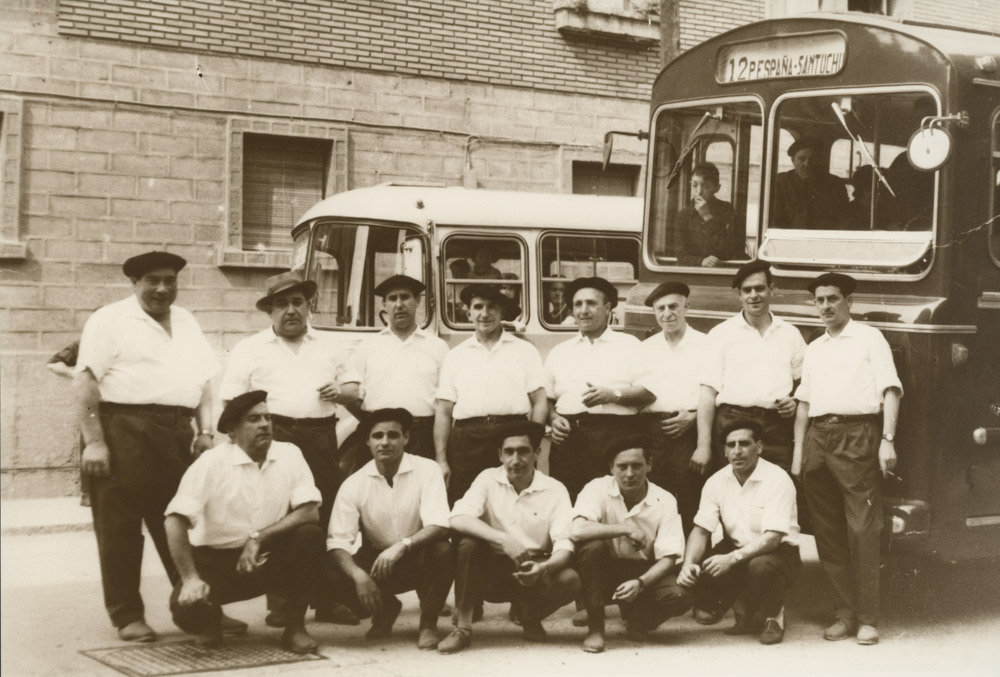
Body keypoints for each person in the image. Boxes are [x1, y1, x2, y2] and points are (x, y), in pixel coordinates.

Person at [75, 251, 223, 642]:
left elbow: (206, 384)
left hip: (176, 432)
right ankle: (127, 616)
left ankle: (197, 606)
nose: (162, 288)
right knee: (120, 528)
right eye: (152, 281)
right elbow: (86, 382)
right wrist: (95, 444)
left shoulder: (187, 321)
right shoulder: (109, 319)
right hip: (123, 428)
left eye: (170, 280)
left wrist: (206, 431)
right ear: (134, 283)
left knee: (182, 520)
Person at [220, 269, 356, 626]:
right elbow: (231, 402)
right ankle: (281, 604)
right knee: (278, 518)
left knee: (324, 517)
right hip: (274, 437)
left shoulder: (329, 345)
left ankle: (327, 600)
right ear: (269, 311)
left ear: (309, 306)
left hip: (322, 436)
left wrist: (340, 393)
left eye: (298, 302)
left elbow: (355, 392)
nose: (291, 310)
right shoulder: (250, 349)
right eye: (282, 304)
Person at [165, 391, 325, 654]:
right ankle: (210, 621)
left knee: (310, 535)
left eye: (267, 417)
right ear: (232, 430)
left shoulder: (289, 454)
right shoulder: (211, 463)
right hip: (216, 563)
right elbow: (174, 520)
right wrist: (191, 578)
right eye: (253, 419)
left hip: (265, 556)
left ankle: (295, 627)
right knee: (186, 612)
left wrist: (257, 538)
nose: (264, 424)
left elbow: (309, 511)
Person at [792, 272, 902, 646]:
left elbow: (890, 390)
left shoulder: (870, 338)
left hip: (858, 435)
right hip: (818, 439)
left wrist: (887, 440)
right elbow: (804, 404)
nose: (825, 306)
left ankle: (869, 618)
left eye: (833, 299)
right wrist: (798, 453)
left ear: (849, 302)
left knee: (863, 530)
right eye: (820, 300)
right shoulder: (815, 347)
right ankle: (845, 613)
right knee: (826, 531)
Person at [438, 421, 581, 654]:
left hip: (532, 570)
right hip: (490, 570)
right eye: (509, 452)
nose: (516, 459)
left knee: (570, 579)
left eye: (523, 451)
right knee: (467, 544)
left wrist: (543, 568)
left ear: (537, 453)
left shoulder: (555, 489)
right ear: (500, 455)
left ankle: (529, 617)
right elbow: (457, 517)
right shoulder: (487, 478)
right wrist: (503, 540)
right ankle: (463, 629)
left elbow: (565, 544)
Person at [325, 408, 454, 650]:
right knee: (329, 570)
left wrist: (402, 546)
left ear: (406, 438)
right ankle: (385, 610)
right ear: (367, 441)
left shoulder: (427, 470)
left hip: (418, 555)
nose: (385, 442)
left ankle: (428, 623)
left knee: (442, 550)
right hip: (378, 562)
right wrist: (358, 575)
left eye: (393, 435)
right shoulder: (354, 483)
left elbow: (439, 524)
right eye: (377, 436)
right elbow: (338, 542)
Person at [678, 419, 801, 645]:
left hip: (778, 554)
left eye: (744, 443)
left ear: (759, 447)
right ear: (724, 451)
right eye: (731, 445)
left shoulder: (778, 479)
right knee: (698, 587)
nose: (737, 451)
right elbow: (701, 530)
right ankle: (739, 600)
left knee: (760, 567)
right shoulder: (716, 481)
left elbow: (773, 539)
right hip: (736, 550)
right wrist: (688, 564)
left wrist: (731, 559)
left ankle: (774, 615)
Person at [571, 435, 691, 653]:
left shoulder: (664, 500)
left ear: (649, 465)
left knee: (679, 595)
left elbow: (669, 557)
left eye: (637, 466)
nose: (629, 474)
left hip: (643, 571)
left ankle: (637, 620)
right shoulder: (597, 488)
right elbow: (577, 530)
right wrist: (626, 528)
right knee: (592, 547)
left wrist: (641, 582)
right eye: (622, 466)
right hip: (603, 569)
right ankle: (596, 627)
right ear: (611, 467)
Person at [435, 284, 547, 505]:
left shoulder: (524, 350)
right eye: (478, 307)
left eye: (491, 307)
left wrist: (532, 440)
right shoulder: (456, 355)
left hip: (512, 434)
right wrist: (441, 459)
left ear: (501, 312)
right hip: (468, 440)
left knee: (515, 500)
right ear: (468, 313)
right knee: (465, 500)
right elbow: (444, 411)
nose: (484, 313)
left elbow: (540, 401)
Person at [545, 276, 654, 501]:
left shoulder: (630, 345)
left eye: (591, 304)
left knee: (614, 500)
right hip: (569, 439)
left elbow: (648, 392)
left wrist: (612, 395)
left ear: (607, 308)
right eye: (578, 304)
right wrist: (554, 418)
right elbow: (545, 398)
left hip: (615, 436)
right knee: (567, 500)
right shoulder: (560, 351)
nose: (584, 311)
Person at [692, 260, 805, 475]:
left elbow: (804, 384)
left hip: (775, 429)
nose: (754, 295)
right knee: (732, 493)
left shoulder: (790, 334)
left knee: (777, 489)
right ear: (740, 295)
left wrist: (794, 401)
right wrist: (703, 445)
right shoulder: (721, 333)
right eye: (747, 290)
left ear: (772, 290)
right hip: (731, 424)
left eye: (760, 288)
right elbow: (707, 394)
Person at [337, 275, 449, 473]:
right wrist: (369, 419)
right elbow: (348, 394)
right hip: (381, 434)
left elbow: (445, 403)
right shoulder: (368, 346)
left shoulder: (437, 347)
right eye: (392, 298)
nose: (399, 304)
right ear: (384, 304)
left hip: (422, 435)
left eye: (405, 297)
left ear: (417, 302)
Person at [636, 282, 708, 534]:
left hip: (689, 431)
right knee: (655, 498)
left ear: (687, 307)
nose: (667, 313)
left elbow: (716, 392)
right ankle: (660, 563)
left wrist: (695, 417)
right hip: (652, 430)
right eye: (660, 308)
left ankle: (692, 566)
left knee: (691, 499)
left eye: (673, 306)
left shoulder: (706, 345)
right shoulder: (645, 348)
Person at [47, 339, 90, 507]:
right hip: (94, 402)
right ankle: (88, 493)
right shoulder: (86, 341)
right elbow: (54, 364)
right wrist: (78, 375)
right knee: (89, 443)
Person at [771, 136, 848, 230]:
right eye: (801, 159)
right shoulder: (781, 183)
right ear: (793, 160)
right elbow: (774, 223)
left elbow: (843, 222)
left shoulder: (835, 185)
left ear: (819, 161)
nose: (807, 164)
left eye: (812, 159)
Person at [675, 162, 743, 267]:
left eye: (706, 186)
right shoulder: (683, 216)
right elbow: (681, 256)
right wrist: (701, 261)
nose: (699, 191)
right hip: (693, 272)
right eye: (695, 185)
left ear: (717, 188)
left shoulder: (726, 210)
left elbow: (728, 250)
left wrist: (707, 217)